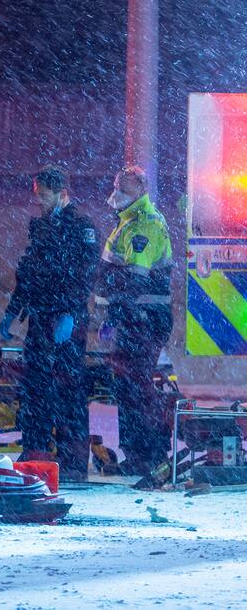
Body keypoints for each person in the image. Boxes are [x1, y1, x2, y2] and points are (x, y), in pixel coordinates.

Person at [0, 166, 99, 480]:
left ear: (61, 194)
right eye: (38, 196)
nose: (39, 201)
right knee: (36, 388)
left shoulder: (80, 227)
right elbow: (29, 273)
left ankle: (73, 463)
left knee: (69, 390)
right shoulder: (42, 227)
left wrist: (70, 312)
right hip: (41, 316)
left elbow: (84, 275)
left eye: (44, 196)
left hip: (66, 317)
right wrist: (13, 310)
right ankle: (36, 455)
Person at [95, 165, 174, 475]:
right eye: (117, 185)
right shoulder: (128, 222)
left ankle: (151, 455)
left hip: (144, 320)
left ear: (141, 190)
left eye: (124, 188)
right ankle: (139, 455)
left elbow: (134, 281)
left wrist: (114, 314)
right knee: (128, 388)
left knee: (136, 388)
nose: (117, 193)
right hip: (134, 319)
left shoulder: (145, 224)